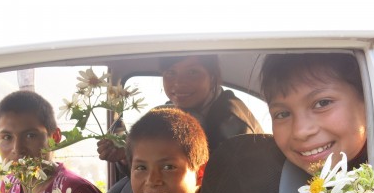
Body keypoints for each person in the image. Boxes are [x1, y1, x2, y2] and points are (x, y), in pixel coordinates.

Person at [97, 54, 264, 163]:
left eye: (192, 72)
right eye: (170, 73)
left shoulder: (232, 122)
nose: (179, 83)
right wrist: (125, 156)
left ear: (212, 77)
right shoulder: (169, 111)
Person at [260, 52, 367, 173]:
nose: (300, 132)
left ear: (368, 102)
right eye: (283, 114)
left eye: (323, 103)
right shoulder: (272, 183)